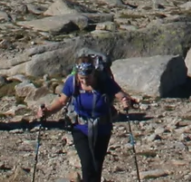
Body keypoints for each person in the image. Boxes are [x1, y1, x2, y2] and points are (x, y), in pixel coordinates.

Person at [35, 51, 140, 182]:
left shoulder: (104, 81)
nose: (85, 81)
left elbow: (121, 95)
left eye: (88, 77)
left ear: (93, 73)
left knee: (97, 165)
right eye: (82, 78)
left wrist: (125, 101)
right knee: (87, 164)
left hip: (102, 128)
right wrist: (47, 112)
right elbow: (62, 101)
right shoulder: (72, 82)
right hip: (80, 127)